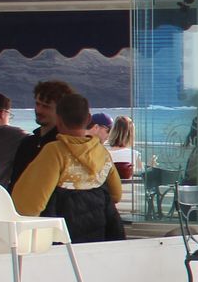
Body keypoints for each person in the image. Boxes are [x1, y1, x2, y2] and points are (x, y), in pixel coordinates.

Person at [10, 93, 123, 242]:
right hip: (97, 233)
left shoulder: (55, 151)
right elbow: (116, 194)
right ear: (88, 119)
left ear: (58, 120)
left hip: (61, 238)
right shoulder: (101, 153)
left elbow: (28, 206)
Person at [6, 80, 73, 187]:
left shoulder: (64, 144)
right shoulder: (27, 143)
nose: (39, 110)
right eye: (37, 104)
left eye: (46, 106)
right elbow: (16, 182)